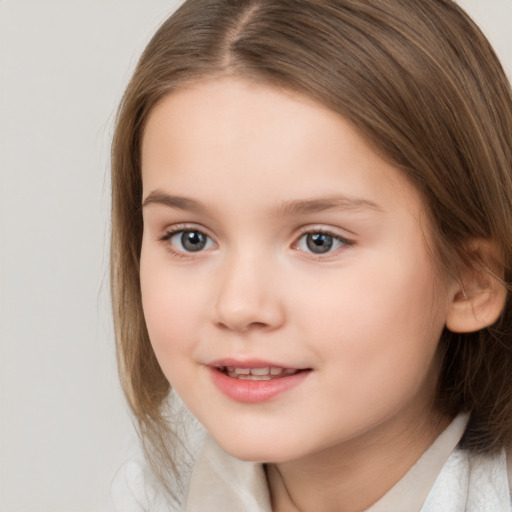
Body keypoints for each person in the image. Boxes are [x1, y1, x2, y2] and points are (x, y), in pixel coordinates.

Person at [110, 0, 512, 510]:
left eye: (319, 240)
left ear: (471, 280)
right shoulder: (147, 495)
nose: (238, 306)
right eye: (191, 238)